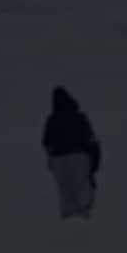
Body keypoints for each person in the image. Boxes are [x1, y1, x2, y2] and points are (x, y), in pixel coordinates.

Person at [41, 86, 101, 220]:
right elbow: (92, 141)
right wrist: (94, 164)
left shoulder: (52, 119)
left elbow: (47, 143)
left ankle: (70, 217)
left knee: (65, 190)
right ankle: (83, 213)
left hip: (59, 157)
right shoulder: (80, 118)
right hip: (80, 156)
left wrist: (50, 162)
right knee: (82, 187)